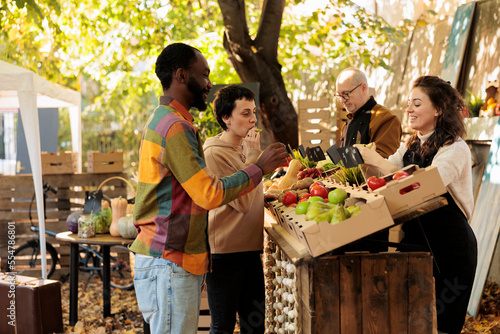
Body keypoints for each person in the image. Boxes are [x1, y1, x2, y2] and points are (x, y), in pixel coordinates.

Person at [129, 43, 288, 334]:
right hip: (169, 260)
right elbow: (209, 193)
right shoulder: (175, 127)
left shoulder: (163, 120)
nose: (209, 84)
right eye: (204, 75)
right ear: (180, 75)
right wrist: (258, 167)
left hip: (167, 259)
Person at [356, 75, 477, 334]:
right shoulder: (410, 145)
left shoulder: (455, 149)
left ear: (438, 109)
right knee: (407, 320)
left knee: (442, 324)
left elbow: (426, 184)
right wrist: (365, 164)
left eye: (417, 103)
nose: (408, 109)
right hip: (415, 243)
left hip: (450, 249)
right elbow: (386, 175)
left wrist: (375, 159)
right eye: (408, 103)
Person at [202, 85, 265, 334]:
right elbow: (242, 202)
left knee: (255, 326)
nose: (253, 119)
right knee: (223, 328)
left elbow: (252, 191)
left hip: (250, 250)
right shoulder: (214, 153)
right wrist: (254, 157)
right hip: (225, 255)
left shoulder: (243, 148)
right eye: (246, 113)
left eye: (254, 112)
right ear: (226, 118)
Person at [336, 68, 402, 158]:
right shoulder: (346, 125)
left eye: (346, 94)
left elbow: (384, 162)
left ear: (363, 88)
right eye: (339, 96)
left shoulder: (385, 119)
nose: (342, 100)